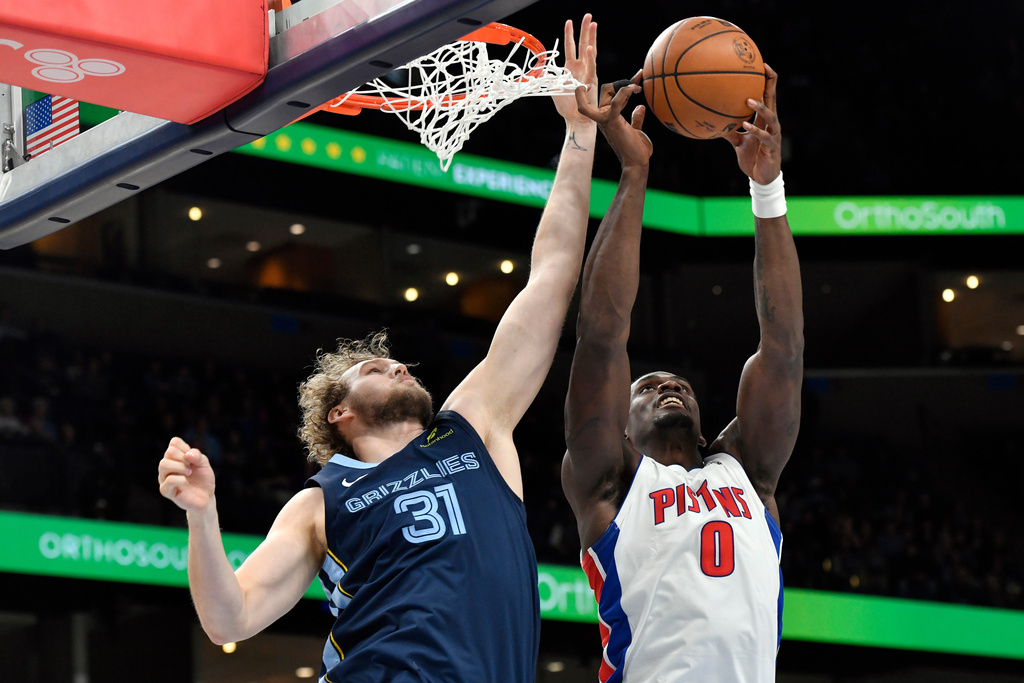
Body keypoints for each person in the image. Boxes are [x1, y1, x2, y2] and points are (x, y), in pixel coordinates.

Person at [157, 14, 602, 682]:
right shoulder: (319, 502)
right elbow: (230, 618)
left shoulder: (474, 425)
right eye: (373, 367)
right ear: (339, 412)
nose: (396, 363)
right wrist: (203, 516)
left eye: (395, 359)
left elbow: (550, 279)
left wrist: (578, 136)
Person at [562, 62, 802, 682]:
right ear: (622, 426)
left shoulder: (747, 471)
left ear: (703, 426)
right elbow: (601, 337)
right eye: (647, 386)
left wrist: (767, 187)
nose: (668, 384)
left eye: (681, 385)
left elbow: (782, 347)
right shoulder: (608, 483)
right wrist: (635, 173)